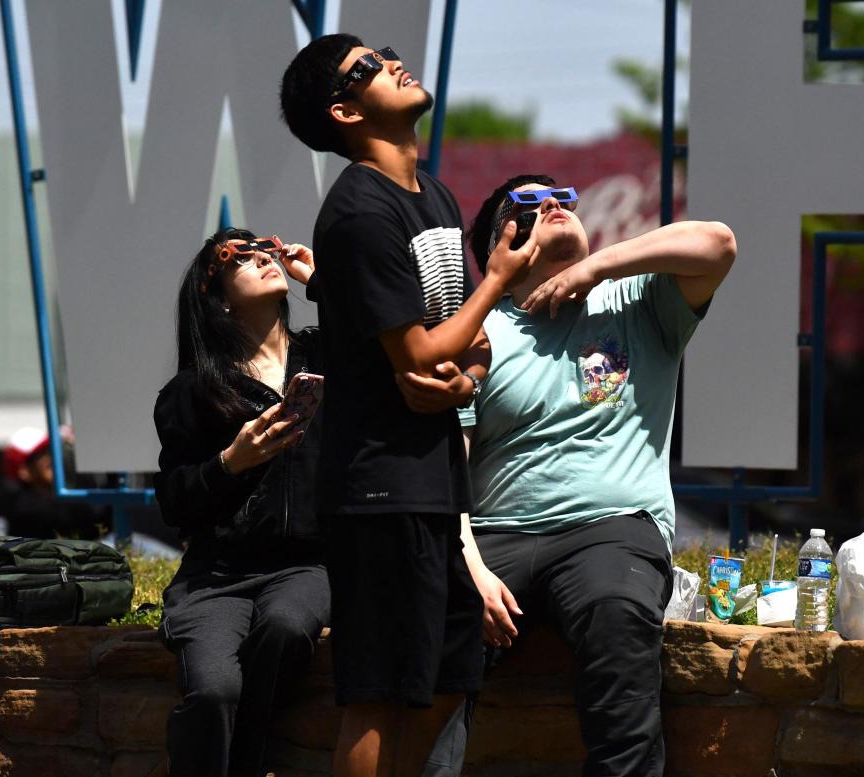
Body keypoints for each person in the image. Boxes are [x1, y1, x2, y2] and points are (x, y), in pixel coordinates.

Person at [401, 174, 737, 777]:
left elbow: (717, 243)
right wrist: (467, 568)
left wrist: (596, 269)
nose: (553, 203)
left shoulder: (638, 302)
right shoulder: (477, 334)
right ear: (500, 242)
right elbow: (444, 465)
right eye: (528, 203)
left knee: (616, 609)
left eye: (562, 196)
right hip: (493, 537)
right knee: (439, 633)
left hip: (609, 531)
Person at [279, 35, 540, 777]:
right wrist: (498, 280)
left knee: (447, 677)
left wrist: (473, 373)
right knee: (379, 694)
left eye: (384, 52)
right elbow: (423, 353)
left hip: (430, 481)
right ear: (345, 110)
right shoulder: (360, 209)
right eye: (367, 67)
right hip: (377, 488)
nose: (390, 62)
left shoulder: (433, 195)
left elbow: (459, 335)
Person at [153, 227, 329, 777]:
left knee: (286, 626)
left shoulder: (329, 356)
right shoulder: (193, 390)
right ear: (218, 297)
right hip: (217, 574)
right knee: (212, 689)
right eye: (238, 258)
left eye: (265, 250)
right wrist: (232, 462)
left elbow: (392, 333)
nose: (260, 259)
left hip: (309, 562)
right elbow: (175, 504)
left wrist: (322, 280)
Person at [1, 425, 109, 539]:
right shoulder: (25, 509)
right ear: (24, 471)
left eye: (51, 450)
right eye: (41, 454)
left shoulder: (51, 500)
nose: (51, 457)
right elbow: (92, 519)